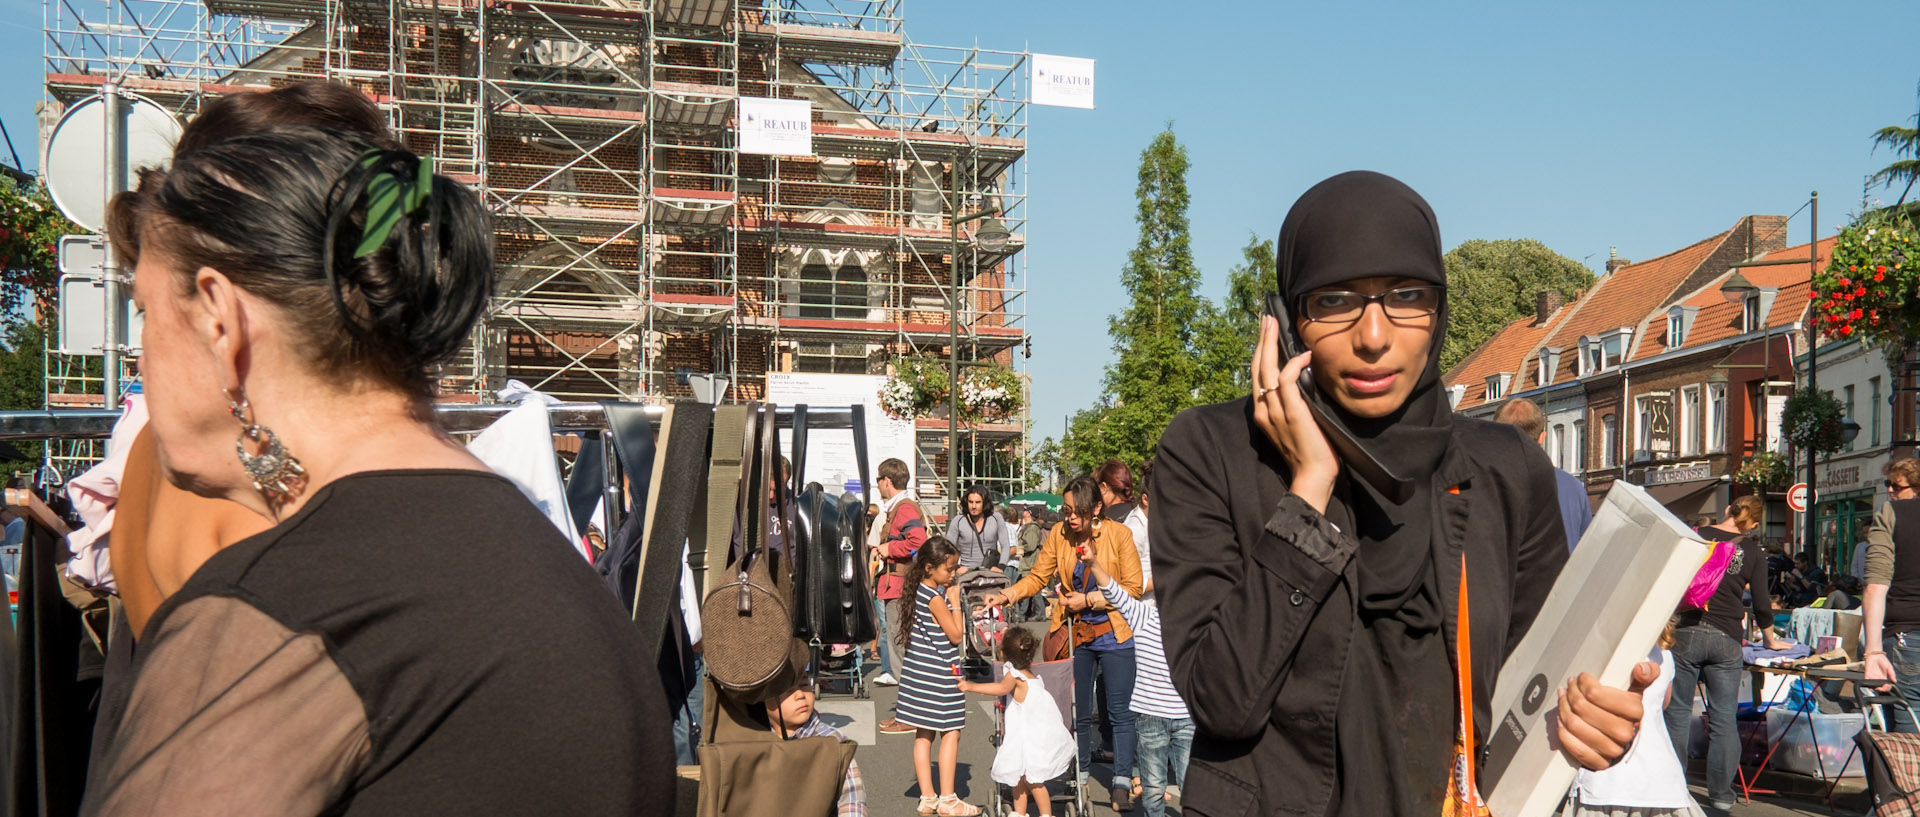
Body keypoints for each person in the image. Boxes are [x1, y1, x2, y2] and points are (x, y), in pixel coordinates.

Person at [84, 123, 671, 814]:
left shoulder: (278, 611)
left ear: (220, 318)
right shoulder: (546, 560)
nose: (140, 360)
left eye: (147, 312)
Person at [1149, 171, 1647, 816]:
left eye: (1406, 296)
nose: (1375, 336)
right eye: (1335, 301)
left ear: (1438, 311)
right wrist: (1308, 492)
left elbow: (1544, 686)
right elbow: (1223, 702)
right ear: (1287, 319)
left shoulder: (1505, 468)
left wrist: (1597, 717)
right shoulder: (1211, 451)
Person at [981, 476, 1144, 812]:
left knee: (1119, 713)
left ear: (1096, 508)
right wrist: (1007, 593)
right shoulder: (1059, 535)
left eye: (1078, 512)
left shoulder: (1119, 535)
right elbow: (1039, 576)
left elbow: (1133, 588)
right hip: (1075, 633)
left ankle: (1121, 783)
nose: (1070, 518)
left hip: (1116, 632)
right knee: (1076, 712)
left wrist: (1088, 600)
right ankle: (1080, 776)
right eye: (1067, 510)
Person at [1662, 495, 1790, 810]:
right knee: (1723, 719)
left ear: (1727, 511)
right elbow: (1762, 603)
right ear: (1755, 523)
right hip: (1727, 637)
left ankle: (1675, 790)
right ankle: (1720, 797)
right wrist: (1771, 640)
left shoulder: (1696, 537)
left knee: (1677, 713)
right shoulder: (1752, 552)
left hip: (1687, 631)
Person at [1081, 513, 1189, 817]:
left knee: (1193, 789)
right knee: (1153, 792)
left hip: (1187, 718)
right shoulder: (1143, 618)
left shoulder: (1195, 623)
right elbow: (1114, 591)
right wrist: (1093, 563)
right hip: (1152, 718)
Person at [1564, 627, 1706, 817]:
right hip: (1663, 782)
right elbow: (1664, 703)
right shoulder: (1664, 655)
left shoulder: (1597, 651)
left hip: (1606, 784)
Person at [893, 537, 977, 816]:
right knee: (951, 731)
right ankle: (948, 798)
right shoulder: (936, 598)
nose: (952, 575)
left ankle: (927, 797)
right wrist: (953, 603)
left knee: (923, 734)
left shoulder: (917, 590)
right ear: (929, 567)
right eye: (948, 570)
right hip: (941, 672)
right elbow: (955, 635)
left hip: (918, 673)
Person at [960, 626, 1074, 817]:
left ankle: (1046, 814)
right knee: (1018, 779)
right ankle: (1019, 813)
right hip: (1034, 737)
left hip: (1025, 740)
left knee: (1032, 780)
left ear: (1004, 653)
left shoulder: (1014, 675)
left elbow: (1000, 688)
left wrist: (971, 686)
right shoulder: (1033, 677)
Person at [1863, 456, 1920, 731]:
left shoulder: (1893, 513)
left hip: (1907, 637)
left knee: (1908, 732)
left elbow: (1876, 584)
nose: (1890, 491)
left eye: (1896, 486)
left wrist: (1872, 651)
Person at [1494, 397, 1593, 551]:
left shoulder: (1486, 484)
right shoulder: (1573, 486)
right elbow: (1586, 546)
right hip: (1563, 574)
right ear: (1542, 437)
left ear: (1497, 437)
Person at [873, 458, 929, 723]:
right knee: (902, 647)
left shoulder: (904, 509)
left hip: (899, 587)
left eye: (878, 481)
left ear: (887, 481)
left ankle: (909, 715)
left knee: (900, 649)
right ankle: (911, 712)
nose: (878, 486)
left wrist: (888, 549)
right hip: (896, 586)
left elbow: (919, 541)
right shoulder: (900, 508)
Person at [764, 674, 866, 817]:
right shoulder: (750, 742)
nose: (800, 694)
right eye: (786, 690)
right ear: (760, 699)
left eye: (804, 685)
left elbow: (852, 803)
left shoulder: (834, 744)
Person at [951, 485, 1013, 572]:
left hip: (990, 573)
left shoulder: (996, 518)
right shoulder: (958, 521)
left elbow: (1006, 546)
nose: (973, 506)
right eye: (970, 502)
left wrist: (1001, 566)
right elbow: (948, 549)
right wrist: (956, 567)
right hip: (966, 574)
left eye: (978, 502)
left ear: (985, 503)